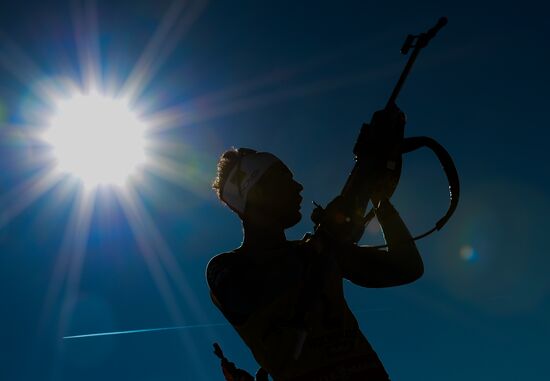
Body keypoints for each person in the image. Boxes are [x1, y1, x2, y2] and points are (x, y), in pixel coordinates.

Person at [206, 120, 423, 380]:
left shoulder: (316, 249)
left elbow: (407, 267)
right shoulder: (226, 268)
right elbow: (253, 292)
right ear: (258, 193)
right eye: (285, 179)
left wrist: (380, 201)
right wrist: (328, 238)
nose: (298, 187)